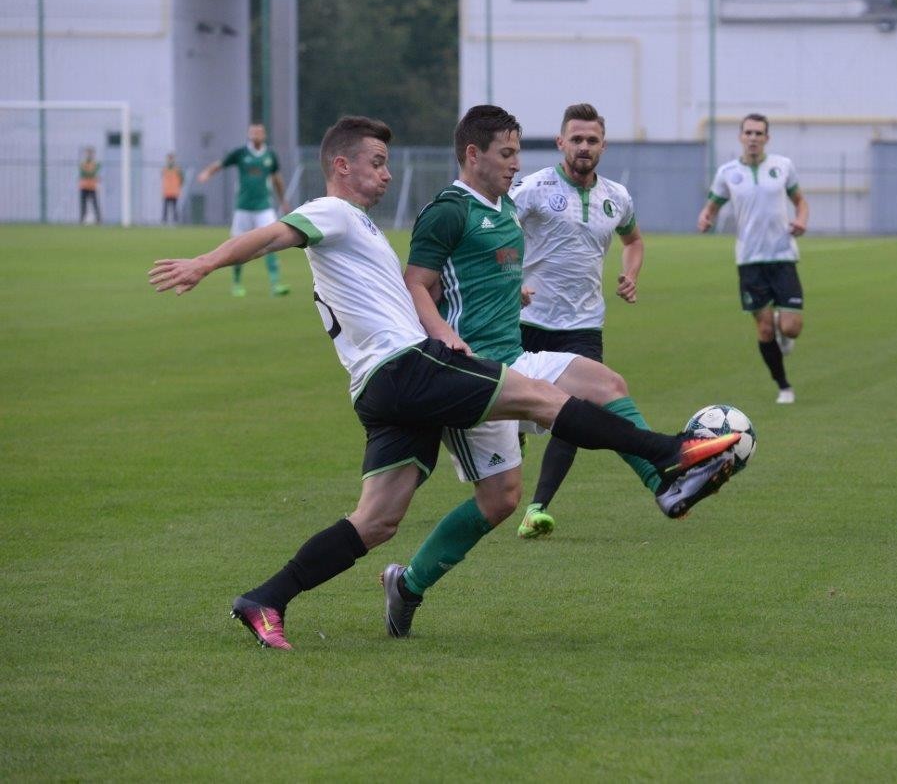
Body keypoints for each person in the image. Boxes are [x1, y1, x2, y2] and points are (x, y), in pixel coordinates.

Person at [148, 114, 739, 650]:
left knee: (377, 520)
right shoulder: (332, 212)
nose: (385, 174)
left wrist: (505, 293)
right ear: (341, 166)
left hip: (376, 389)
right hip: (405, 366)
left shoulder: (362, 230)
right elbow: (276, 234)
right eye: (376, 163)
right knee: (544, 399)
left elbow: (403, 293)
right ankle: (668, 454)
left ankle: (266, 598)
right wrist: (205, 263)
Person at [383, 104, 726, 639]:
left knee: (608, 386)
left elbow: (497, 265)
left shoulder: (500, 209)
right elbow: (415, 284)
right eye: (507, 153)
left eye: (519, 152)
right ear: (474, 154)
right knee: (499, 502)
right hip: (471, 373)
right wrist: (445, 337)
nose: (516, 163)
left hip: (516, 355)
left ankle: (665, 481)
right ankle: (407, 586)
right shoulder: (449, 210)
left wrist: (510, 285)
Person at [507, 103, 645, 539]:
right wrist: (511, 280)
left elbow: (634, 240)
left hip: (584, 326)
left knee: (575, 414)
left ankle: (537, 508)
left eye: (592, 140)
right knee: (511, 413)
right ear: (560, 142)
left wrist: (630, 273)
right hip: (527, 321)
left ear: (603, 145)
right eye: (577, 139)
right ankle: (516, 430)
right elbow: (497, 231)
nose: (584, 147)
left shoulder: (616, 197)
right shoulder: (531, 189)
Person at [697, 113, 808, 404]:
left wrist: (802, 220)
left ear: (767, 138)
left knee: (791, 327)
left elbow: (800, 201)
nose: (754, 138)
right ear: (740, 137)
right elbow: (713, 205)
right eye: (749, 133)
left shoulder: (782, 166)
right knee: (763, 328)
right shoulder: (728, 172)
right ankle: (784, 386)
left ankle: (784, 332)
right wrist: (706, 216)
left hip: (783, 255)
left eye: (759, 133)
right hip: (749, 260)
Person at [196, 123, 291, 297]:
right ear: (248, 134)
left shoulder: (270, 155)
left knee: (271, 242)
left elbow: (277, 179)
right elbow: (221, 164)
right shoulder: (240, 153)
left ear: (264, 135)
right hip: (243, 208)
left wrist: (283, 200)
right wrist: (207, 173)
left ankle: (275, 283)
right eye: (253, 132)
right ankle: (237, 283)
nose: (256, 135)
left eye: (259, 132)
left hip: (264, 207)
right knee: (238, 244)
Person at [78, 147, 101, 225]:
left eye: (90, 153)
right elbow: (83, 173)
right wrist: (90, 173)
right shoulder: (82, 163)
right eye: (88, 153)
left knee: (95, 204)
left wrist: (89, 173)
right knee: (83, 204)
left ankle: (98, 220)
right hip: (83, 186)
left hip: (92, 186)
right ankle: (82, 219)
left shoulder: (95, 163)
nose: (89, 155)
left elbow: (93, 172)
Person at [161, 152, 183, 225]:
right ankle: (164, 221)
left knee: (174, 207)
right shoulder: (164, 169)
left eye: (171, 158)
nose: (170, 160)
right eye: (169, 158)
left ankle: (175, 221)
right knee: (165, 207)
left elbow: (182, 179)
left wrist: (179, 186)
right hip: (167, 191)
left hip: (174, 191)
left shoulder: (177, 169)